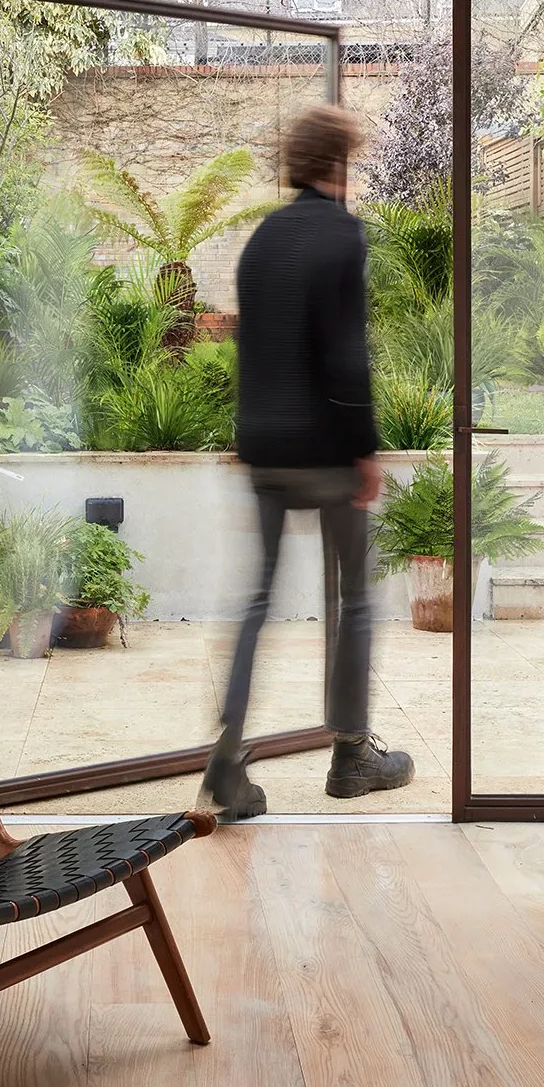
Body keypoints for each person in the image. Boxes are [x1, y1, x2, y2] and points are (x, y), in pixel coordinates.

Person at [199, 103, 415, 820]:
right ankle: (352, 756)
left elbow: (252, 349)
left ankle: (227, 763)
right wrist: (365, 449)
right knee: (355, 598)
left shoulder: (261, 239)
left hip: (262, 445)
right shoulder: (341, 234)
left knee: (255, 605)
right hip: (327, 449)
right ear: (339, 162)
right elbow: (346, 354)